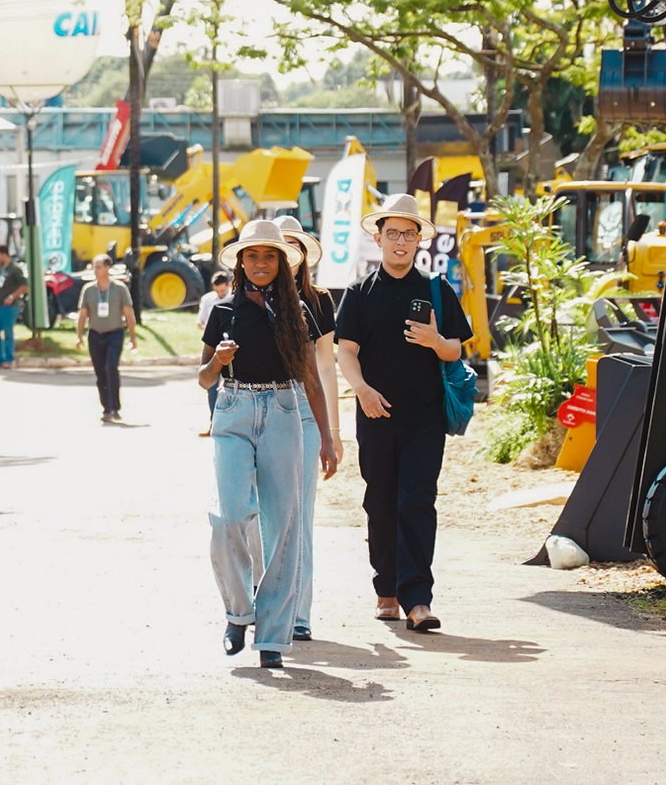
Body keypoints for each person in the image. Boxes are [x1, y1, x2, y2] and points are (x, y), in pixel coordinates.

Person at [200, 219, 337, 669]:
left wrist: (327, 439)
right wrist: (218, 362)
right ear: (241, 262)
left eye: (270, 256)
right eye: (253, 255)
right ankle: (239, 612)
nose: (261, 263)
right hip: (234, 411)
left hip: (284, 413)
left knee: (284, 529)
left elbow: (311, 380)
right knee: (228, 517)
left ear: (282, 264)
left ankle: (274, 638)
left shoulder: (299, 312)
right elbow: (202, 379)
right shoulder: (222, 311)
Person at [335, 193, 473, 633]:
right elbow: (347, 351)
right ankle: (386, 590)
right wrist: (361, 390)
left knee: (417, 501)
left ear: (419, 242)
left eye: (408, 234)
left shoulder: (436, 290)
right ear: (378, 238)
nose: (400, 242)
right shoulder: (358, 294)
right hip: (374, 416)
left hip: (425, 418)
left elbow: (456, 349)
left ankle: (418, 599)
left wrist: (436, 341)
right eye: (392, 233)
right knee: (380, 501)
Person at [276, 215, 343, 642]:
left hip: (305, 411)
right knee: (263, 517)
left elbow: (326, 367)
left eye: (292, 246)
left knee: (300, 517)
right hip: (263, 407)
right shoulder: (255, 298)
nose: (285, 254)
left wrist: (332, 433)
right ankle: (269, 606)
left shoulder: (319, 302)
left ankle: (299, 613)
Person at [75, 253, 138, 423]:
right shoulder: (88, 290)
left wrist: (133, 337)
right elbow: (82, 314)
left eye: (98, 267)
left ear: (107, 268)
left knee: (111, 367)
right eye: (94, 267)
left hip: (114, 333)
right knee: (100, 373)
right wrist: (79, 336)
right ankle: (106, 408)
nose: (95, 270)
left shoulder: (119, 288)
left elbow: (128, 314)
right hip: (95, 334)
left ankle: (115, 406)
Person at [195, 271, 232, 435]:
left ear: (229, 286)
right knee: (211, 387)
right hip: (212, 345)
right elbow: (200, 321)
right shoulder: (207, 300)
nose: (220, 294)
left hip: (231, 346)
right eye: (218, 291)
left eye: (223, 291)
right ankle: (213, 423)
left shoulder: (234, 300)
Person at [0, 245, 27, 367]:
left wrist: (12, 296)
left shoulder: (15, 269)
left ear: (4, 254)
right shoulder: (1, 268)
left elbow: (24, 286)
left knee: (8, 333)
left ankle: (9, 359)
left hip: (10, 306)